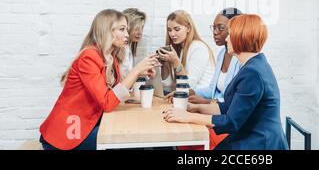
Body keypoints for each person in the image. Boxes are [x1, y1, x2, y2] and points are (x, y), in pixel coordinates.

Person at [162, 14, 288, 150]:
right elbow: (228, 107)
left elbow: (231, 121)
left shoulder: (253, 73)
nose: (226, 39)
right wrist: (195, 108)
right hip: (249, 137)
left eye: (230, 34)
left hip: (259, 143)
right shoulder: (251, 66)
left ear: (241, 37)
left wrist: (187, 116)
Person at [39, 9, 160, 150]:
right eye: (122, 29)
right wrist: (136, 70)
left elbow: (114, 93)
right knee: (127, 140)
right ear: (107, 30)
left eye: (127, 29)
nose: (127, 34)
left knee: (132, 135)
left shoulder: (110, 58)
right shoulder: (89, 57)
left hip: (89, 123)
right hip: (67, 134)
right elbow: (107, 102)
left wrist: (139, 73)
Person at [189, 8, 242, 104]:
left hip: (228, 112)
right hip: (217, 109)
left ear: (234, 29)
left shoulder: (241, 58)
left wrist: (207, 102)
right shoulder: (222, 54)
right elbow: (212, 89)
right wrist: (189, 92)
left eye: (221, 28)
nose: (215, 32)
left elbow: (236, 98)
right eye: (214, 27)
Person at [158, 10, 215, 94]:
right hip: (187, 97)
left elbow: (188, 86)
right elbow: (167, 85)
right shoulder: (180, 49)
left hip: (201, 99)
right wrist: (164, 63)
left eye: (177, 29)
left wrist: (176, 62)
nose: (172, 34)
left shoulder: (198, 48)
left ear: (188, 28)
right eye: (169, 30)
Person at [120, 8, 147, 78]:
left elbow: (127, 74)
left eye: (142, 28)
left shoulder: (128, 47)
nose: (140, 33)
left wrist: (142, 71)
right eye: (136, 29)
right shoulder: (119, 50)